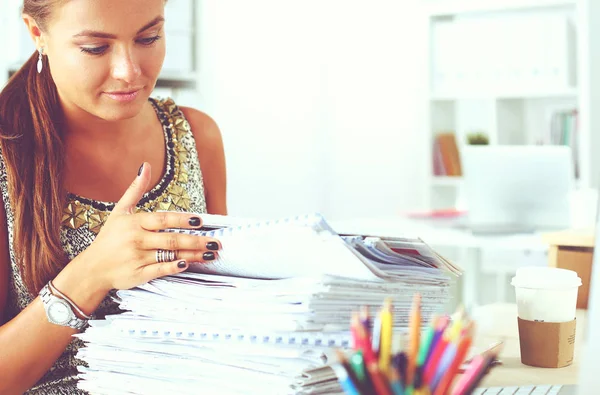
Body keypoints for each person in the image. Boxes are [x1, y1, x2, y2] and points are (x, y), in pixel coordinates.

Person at [0, 0, 227, 393]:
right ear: (38, 34)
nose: (129, 71)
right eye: (95, 48)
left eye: (148, 37)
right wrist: (92, 273)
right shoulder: (8, 156)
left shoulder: (196, 135)